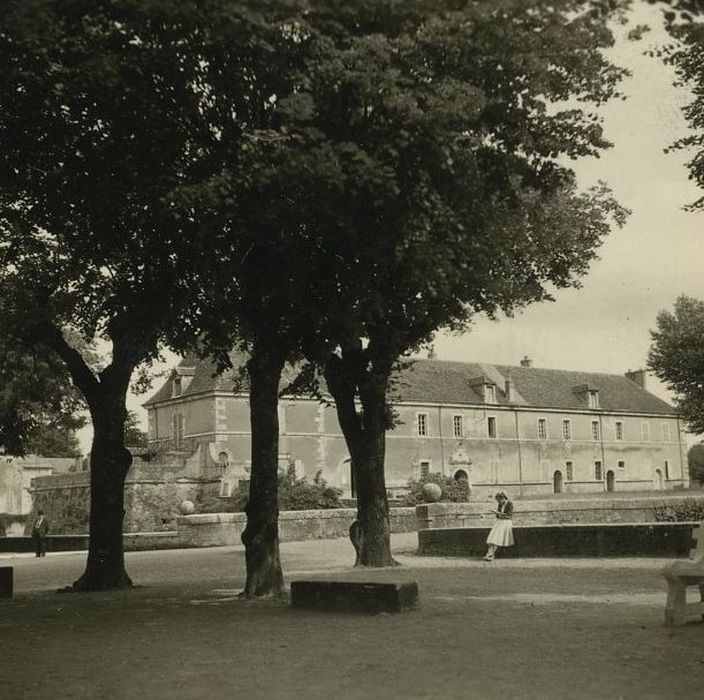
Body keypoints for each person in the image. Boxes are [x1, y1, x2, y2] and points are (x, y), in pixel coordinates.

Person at [484, 492, 514, 561]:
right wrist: (498, 514)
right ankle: (489, 554)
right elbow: (498, 516)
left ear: (503, 498)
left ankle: (491, 554)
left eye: (499, 500)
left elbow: (509, 516)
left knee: (496, 536)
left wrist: (498, 513)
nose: (498, 502)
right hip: (500, 521)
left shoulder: (510, 503)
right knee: (492, 537)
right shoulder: (500, 504)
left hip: (506, 522)